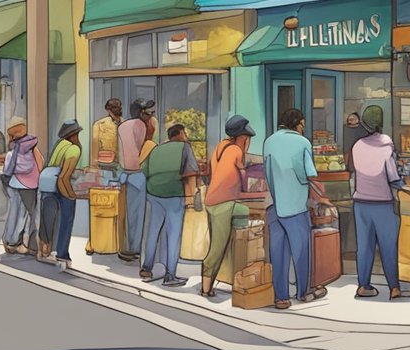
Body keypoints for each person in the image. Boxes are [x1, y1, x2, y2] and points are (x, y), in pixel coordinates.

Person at [263, 108, 334, 310]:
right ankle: (304, 292)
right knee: (301, 250)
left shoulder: (269, 141)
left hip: (274, 204)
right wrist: (323, 196)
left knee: (278, 253)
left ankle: (281, 297)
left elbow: (267, 170)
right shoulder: (302, 143)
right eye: (303, 124)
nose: (304, 128)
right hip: (295, 204)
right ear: (298, 123)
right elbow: (309, 174)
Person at [351, 105, 410, 300]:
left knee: (364, 246)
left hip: (361, 202)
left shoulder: (357, 145)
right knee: (388, 246)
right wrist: (403, 183)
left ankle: (363, 286)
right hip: (382, 203)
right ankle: (394, 288)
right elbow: (392, 175)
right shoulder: (386, 143)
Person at [140, 123, 200, 287]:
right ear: (181, 133)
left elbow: (144, 170)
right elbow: (191, 171)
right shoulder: (185, 147)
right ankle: (170, 275)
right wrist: (190, 197)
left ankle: (146, 268)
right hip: (174, 194)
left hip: (153, 193)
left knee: (153, 230)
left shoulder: (157, 149)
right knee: (173, 235)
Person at [201, 115, 254, 298]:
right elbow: (244, 178)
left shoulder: (220, 147)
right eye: (247, 139)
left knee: (222, 241)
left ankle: (219, 281)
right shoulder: (237, 151)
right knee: (217, 247)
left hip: (212, 199)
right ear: (242, 137)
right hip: (223, 202)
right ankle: (206, 288)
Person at [117, 98, 157, 263]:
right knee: (138, 215)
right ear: (140, 113)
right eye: (148, 112)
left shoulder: (122, 126)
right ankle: (133, 248)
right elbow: (142, 149)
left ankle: (124, 246)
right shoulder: (140, 125)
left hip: (123, 174)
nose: (150, 115)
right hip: (137, 173)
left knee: (125, 213)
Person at [47, 120, 84, 270]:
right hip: (60, 187)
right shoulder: (74, 149)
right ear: (73, 135)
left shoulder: (60, 144)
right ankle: (62, 254)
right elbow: (64, 177)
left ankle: (50, 250)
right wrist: (70, 195)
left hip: (49, 186)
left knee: (52, 221)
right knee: (66, 221)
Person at [1, 116, 41, 255]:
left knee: (14, 212)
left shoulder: (13, 149)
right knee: (29, 215)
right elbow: (40, 164)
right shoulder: (32, 146)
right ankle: (28, 245)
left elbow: (7, 168)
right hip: (30, 185)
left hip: (13, 183)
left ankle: (10, 242)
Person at [91, 97, 123, 184]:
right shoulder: (99, 124)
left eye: (119, 107)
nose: (117, 109)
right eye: (114, 107)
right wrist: (94, 166)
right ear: (108, 109)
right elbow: (94, 146)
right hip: (105, 166)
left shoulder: (126, 123)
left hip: (122, 167)